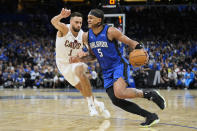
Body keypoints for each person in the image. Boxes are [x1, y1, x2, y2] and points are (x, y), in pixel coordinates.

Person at [70, 9, 166, 127]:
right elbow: (93, 55)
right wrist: (80, 59)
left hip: (118, 65)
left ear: (99, 20)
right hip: (106, 71)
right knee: (116, 100)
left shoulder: (110, 31)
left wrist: (140, 49)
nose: (88, 20)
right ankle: (150, 115)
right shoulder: (86, 36)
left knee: (120, 92)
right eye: (88, 18)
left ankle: (150, 94)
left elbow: (130, 42)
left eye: (91, 18)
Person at [51, 8, 110, 118]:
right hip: (62, 65)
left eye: (80, 23)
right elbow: (53, 22)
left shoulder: (83, 36)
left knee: (80, 69)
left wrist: (83, 57)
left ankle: (91, 106)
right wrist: (60, 15)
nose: (79, 25)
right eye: (76, 22)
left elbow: (93, 55)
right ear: (71, 22)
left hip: (75, 63)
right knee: (83, 90)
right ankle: (98, 103)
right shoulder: (64, 29)